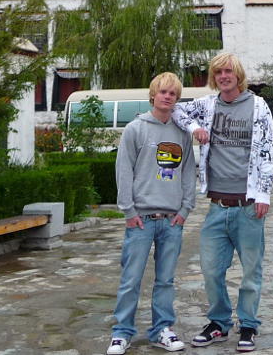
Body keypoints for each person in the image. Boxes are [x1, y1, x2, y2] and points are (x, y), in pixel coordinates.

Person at [173, 53, 273, 353]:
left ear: (238, 74)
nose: (223, 76)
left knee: (250, 272)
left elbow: (269, 150)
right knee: (210, 269)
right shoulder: (208, 104)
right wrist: (195, 130)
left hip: (248, 205)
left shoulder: (258, 106)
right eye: (218, 72)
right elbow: (178, 111)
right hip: (217, 205)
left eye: (228, 71)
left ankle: (248, 325)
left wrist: (264, 194)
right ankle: (218, 322)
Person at [107, 72, 197, 355]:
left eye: (173, 94)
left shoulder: (182, 134)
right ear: (153, 95)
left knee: (166, 280)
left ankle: (162, 330)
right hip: (141, 221)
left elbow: (188, 173)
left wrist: (185, 209)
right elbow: (123, 171)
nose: (168, 97)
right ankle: (122, 333)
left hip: (171, 221)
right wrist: (128, 211)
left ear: (177, 99)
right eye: (163, 92)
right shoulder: (135, 129)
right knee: (131, 279)